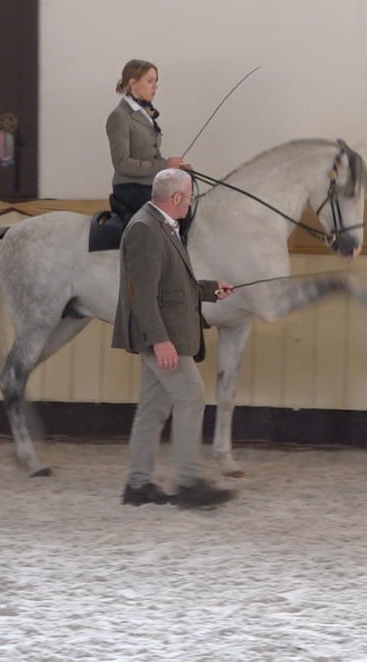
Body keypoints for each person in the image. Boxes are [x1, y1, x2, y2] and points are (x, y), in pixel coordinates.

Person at [111, 169, 236, 509]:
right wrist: (160, 341)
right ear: (176, 198)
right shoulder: (145, 230)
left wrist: (210, 289)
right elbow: (142, 296)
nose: (191, 201)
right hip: (161, 335)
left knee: (152, 408)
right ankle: (188, 482)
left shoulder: (160, 225)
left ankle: (137, 485)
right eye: (189, 195)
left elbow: (172, 284)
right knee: (191, 396)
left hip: (165, 331)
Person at [105, 59, 191, 227]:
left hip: (149, 184)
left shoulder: (146, 113)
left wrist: (174, 170)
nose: (155, 86)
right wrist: (163, 165)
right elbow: (122, 164)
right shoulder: (120, 117)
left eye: (156, 81)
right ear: (133, 83)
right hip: (130, 188)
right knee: (173, 207)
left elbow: (153, 156)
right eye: (150, 81)